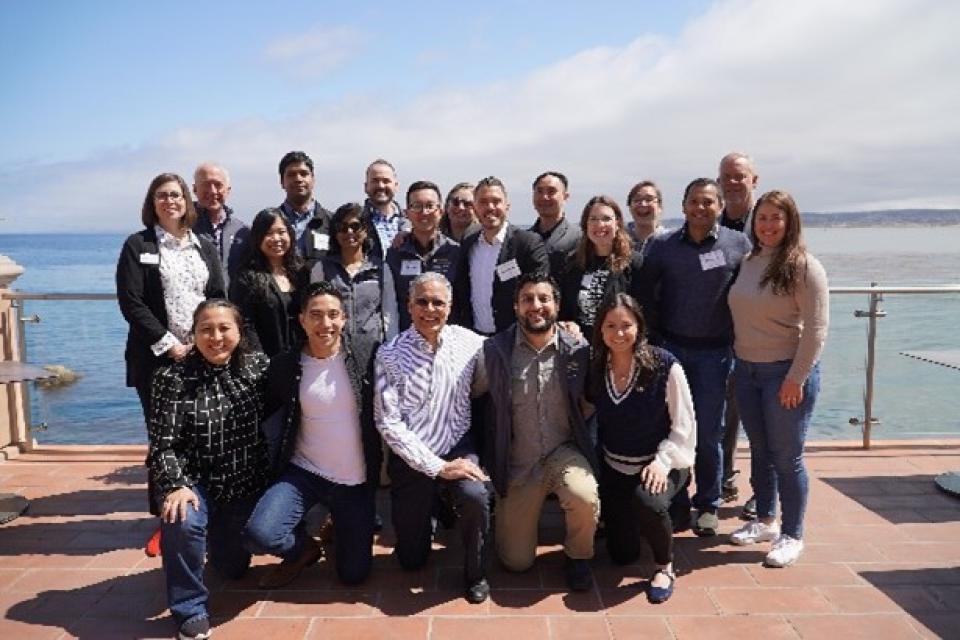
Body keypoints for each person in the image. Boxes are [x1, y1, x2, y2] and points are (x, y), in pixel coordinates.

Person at [243, 281, 383, 588]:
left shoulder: (367, 356)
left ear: (344, 319)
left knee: (353, 575)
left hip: (354, 481)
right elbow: (261, 408)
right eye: (316, 315)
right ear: (302, 320)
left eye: (333, 314)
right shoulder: (286, 365)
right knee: (262, 533)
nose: (326, 324)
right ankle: (305, 549)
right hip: (305, 472)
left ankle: (339, 523)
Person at [116, 172, 226, 557]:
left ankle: (200, 513)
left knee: (201, 436)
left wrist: (209, 343)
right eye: (162, 195)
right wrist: (169, 345)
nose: (170, 201)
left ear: (187, 201)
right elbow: (132, 302)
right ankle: (166, 521)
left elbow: (217, 296)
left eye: (176, 195)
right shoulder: (138, 245)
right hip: (157, 361)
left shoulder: (205, 245)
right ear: (152, 202)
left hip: (203, 356)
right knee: (164, 440)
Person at [637, 178, 751, 537]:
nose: (700, 208)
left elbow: (750, 294)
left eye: (708, 202)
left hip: (716, 354)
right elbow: (645, 295)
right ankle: (677, 500)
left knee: (709, 432)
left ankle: (708, 503)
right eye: (694, 202)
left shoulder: (738, 245)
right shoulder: (663, 246)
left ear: (719, 206)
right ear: (683, 205)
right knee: (670, 428)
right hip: (670, 351)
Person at [150, 300, 269, 640]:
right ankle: (189, 607)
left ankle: (215, 543)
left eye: (224, 329)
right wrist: (175, 484)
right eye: (206, 329)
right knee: (182, 520)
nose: (215, 337)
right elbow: (163, 444)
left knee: (232, 570)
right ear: (193, 333)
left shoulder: (257, 367)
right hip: (195, 482)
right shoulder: (171, 378)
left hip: (243, 483)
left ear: (239, 332)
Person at [475, 272, 599, 592]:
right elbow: (474, 402)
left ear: (557, 305)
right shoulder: (495, 351)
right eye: (527, 299)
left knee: (584, 494)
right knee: (516, 563)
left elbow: (593, 399)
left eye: (544, 299)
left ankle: (579, 555)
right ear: (516, 307)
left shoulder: (577, 349)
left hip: (563, 451)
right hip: (519, 461)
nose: (536, 306)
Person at [374, 273, 491, 603]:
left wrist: (567, 332)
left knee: (475, 495)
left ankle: (475, 571)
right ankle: (436, 501)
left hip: (458, 444)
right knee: (411, 560)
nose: (430, 309)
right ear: (409, 306)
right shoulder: (389, 354)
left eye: (438, 302)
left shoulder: (471, 343)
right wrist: (437, 467)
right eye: (422, 302)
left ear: (450, 307)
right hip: (414, 454)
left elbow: (497, 362)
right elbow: (389, 424)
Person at [727, 190, 828, 567]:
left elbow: (817, 330)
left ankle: (792, 533)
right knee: (759, 449)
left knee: (788, 457)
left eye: (776, 218)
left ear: (790, 222)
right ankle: (765, 519)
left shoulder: (804, 266)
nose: (768, 225)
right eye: (762, 218)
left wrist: (796, 378)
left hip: (784, 374)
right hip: (747, 369)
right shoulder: (750, 260)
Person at [587, 294, 695, 604]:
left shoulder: (664, 365)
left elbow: (684, 426)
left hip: (660, 464)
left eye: (626, 325)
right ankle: (638, 522)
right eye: (610, 326)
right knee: (622, 555)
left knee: (647, 500)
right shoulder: (597, 367)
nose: (618, 333)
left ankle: (665, 564)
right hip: (616, 468)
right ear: (600, 330)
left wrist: (663, 462)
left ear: (640, 327)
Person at [718, 152, 761, 516]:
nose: (733, 182)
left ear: (754, 180)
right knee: (725, 416)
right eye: (726, 177)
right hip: (722, 338)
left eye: (740, 176)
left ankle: (764, 492)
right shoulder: (712, 223)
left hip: (763, 339)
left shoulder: (765, 223)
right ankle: (724, 480)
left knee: (763, 421)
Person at [456, 176, 549, 335]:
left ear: (507, 206)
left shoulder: (527, 244)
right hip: (474, 338)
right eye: (483, 202)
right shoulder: (468, 243)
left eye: (496, 201)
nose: (490, 207)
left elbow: (539, 294)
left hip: (516, 339)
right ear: (475, 208)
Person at [310, 202, 391, 379]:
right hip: (334, 350)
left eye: (355, 226)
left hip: (373, 349)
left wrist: (390, 348)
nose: (349, 232)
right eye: (342, 227)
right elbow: (314, 312)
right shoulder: (321, 268)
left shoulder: (381, 268)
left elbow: (389, 312)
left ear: (365, 229)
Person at [558, 195, 644, 338]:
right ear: (586, 225)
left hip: (618, 346)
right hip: (580, 348)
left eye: (606, 219)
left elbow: (644, 313)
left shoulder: (635, 263)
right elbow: (565, 309)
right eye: (593, 219)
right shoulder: (572, 263)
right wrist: (568, 324)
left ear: (617, 223)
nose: (600, 224)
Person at [385, 180, 462, 332]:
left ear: (441, 211)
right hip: (406, 339)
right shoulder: (395, 253)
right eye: (416, 206)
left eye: (429, 206)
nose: (424, 212)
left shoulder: (455, 252)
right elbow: (390, 302)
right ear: (407, 213)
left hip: (447, 340)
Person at [229, 208, 307, 357]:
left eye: (281, 232)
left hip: (303, 358)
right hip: (267, 362)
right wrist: (261, 361)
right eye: (269, 233)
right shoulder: (246, 278)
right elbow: (245, 325)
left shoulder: (301, 273)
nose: (276, 238)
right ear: (258, 238)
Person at [192, 163, 249, 288]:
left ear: (228, 190)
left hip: (233, 305)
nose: (212, 191)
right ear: (195, 189)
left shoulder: (243, 231)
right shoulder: (182, 227)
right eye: (206, 184)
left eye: (218, 185)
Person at [277, 150, 333, 258]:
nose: (298, 179)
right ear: (282, 182)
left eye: (304, 174)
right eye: (291, 175)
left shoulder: (333, 223)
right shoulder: (269, 224)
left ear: (313, 179)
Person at [529, 171, 581, 277]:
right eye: (539, 191)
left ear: (565, 197)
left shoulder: (580, 238)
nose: (544, 197)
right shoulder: (522, 240)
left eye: (551, 191)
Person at [363, 158, 404, 258]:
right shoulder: (356, 222)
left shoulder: (411, 221)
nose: (381, 186)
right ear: (366, 186)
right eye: (375, 181)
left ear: (396, 186)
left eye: (386, 181)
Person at [625, 180, 669, 254]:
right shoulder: (617, 240)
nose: (643, 204)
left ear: (660, 207)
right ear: (629, 207)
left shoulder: (670, 241)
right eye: (637, 200)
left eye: (649, 200)